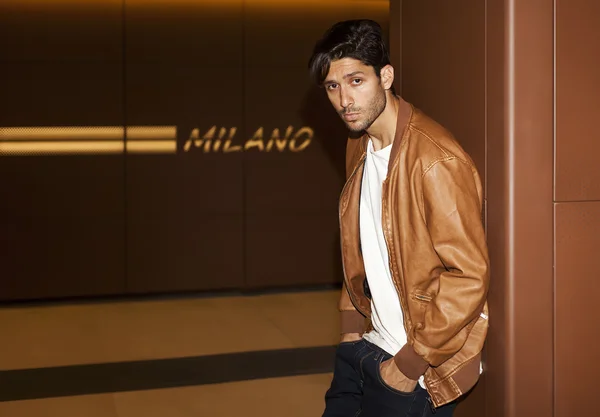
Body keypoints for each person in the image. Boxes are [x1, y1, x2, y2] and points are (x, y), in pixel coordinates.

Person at [308, 19, 490, 417]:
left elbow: (468, 275)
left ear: (385, 76)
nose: (344, 101)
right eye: (332, 87)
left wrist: (410, 363)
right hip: (364, 345)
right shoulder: (359, 144)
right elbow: (362, 241)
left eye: (356, 81)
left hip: (413, 369)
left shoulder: (434, 160)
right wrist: (350, 328)